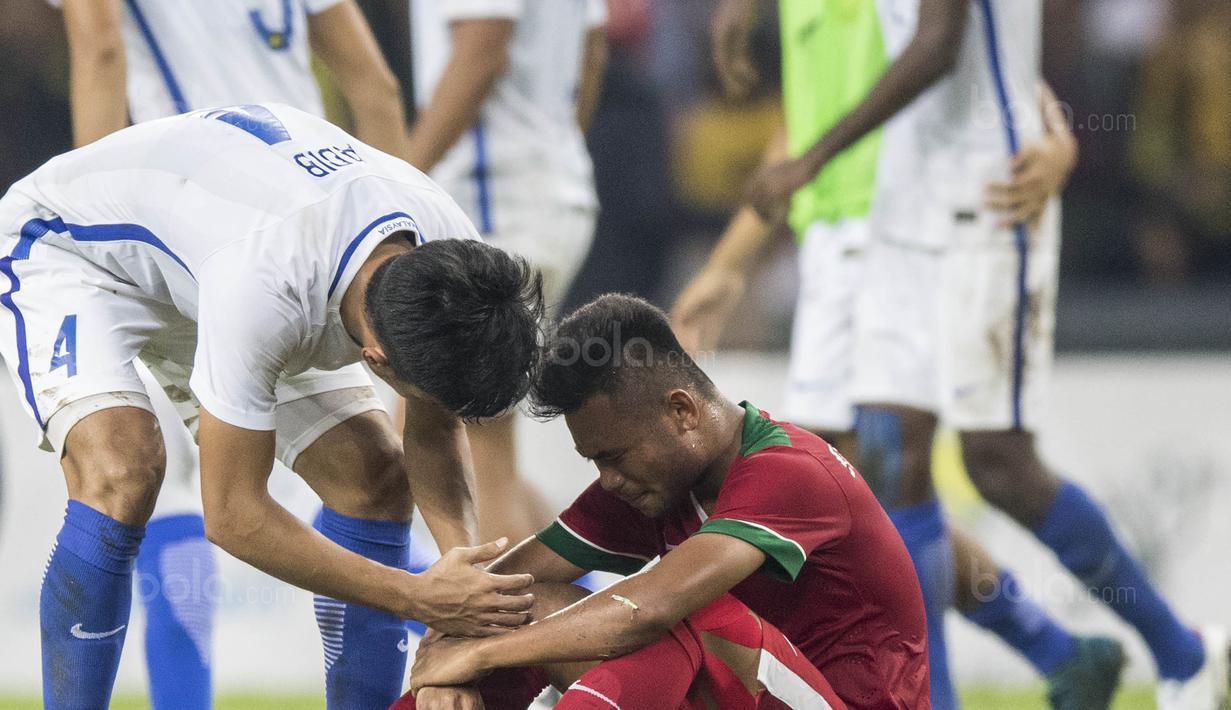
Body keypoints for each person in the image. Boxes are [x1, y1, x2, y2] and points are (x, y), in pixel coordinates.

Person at [699, 1, 1230, 708]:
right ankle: (946, 694)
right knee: (889, 460)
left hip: (990, 197)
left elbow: (942, 43)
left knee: (996, 461)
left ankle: (1177, 650)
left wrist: (811, 160)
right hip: (896, 209)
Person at [0, 103, 541, 710]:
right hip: (67, 248)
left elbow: (435, 427)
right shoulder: (265, 288)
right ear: (377, 358)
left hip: (212, 252)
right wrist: (414, 597)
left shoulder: (450, 259)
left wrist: (457, 585)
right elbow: (232, 514)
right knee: (123, 470)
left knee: (375, 476)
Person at [53, 0, 413, 705]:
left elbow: (100, 49)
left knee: (168, 488)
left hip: (189, 229)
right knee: (371, 475)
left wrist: (90, 223)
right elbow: (377, 89)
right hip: (323, 234)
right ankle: (515, 596)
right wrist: (397, 252)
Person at [394, 293, 931, 709]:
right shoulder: (657, 483)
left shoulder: (791, 472)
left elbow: (647, 609)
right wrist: (447, 650)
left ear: (682, 412)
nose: (608, 481)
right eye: (595, 463)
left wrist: (475, 653)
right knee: (526, 605)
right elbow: (504, 585)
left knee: (683, 608)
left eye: (615, 456)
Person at [404, 0, 608, 543]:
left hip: (493, 209)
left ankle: (508, 626)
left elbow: (481, 50)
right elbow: (593, 51)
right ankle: (582, 599)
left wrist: (393, 182)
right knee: (487, 445)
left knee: (471, 448)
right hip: (551, 190)